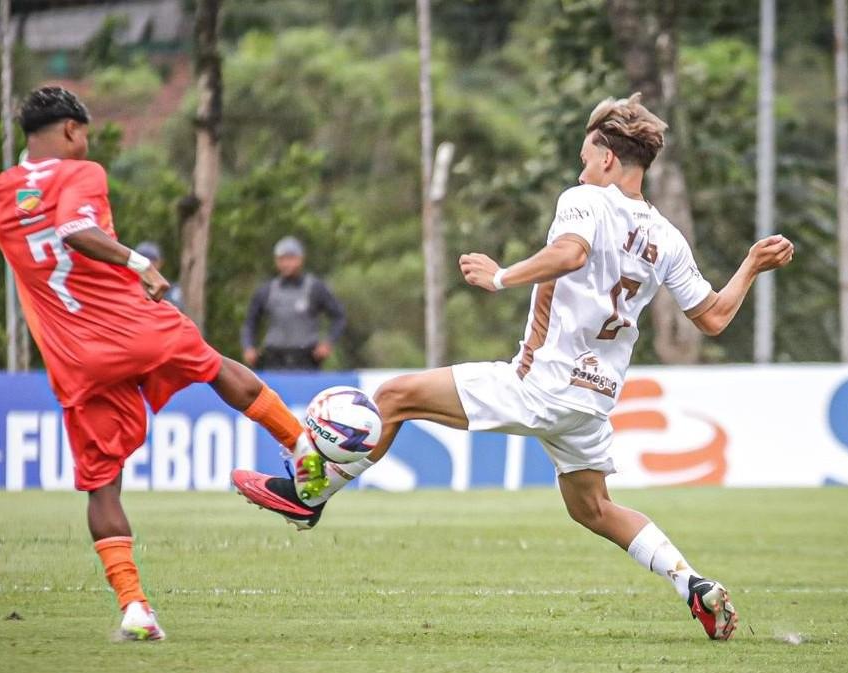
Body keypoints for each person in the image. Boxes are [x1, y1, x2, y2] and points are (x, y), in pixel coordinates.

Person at [232, 93, 795, 641]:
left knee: (396, 396)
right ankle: (693, 584)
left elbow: (571, 252)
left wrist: (501, 277)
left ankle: (309, 496)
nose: (579, 172)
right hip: (593, 402)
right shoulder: (666, 236)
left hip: (540, 385)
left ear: (606, 159)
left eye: (583, 160)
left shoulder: (585, 201)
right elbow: (715, 317)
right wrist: (749, 263)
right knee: (594, 509)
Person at [0, 86, 311, 641]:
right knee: (215, 367)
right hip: (130, 326)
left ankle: (135, 608)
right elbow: (75, 230)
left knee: (103, 488)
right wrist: (138, 262)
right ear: (72, 131)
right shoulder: (80, 173)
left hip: (73, 358)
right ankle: (303, 448)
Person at [241, 236, 346, 370]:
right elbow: (250, 322)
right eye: (282, 259)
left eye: (291, 258)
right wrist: (248, 347)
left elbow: (339, 317)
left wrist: (327, 343)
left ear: (301, 259)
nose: (286, 264)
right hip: (273, 360)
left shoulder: (315, 288)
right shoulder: (267, 290)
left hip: (306, 361)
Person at [133, 240, 185, 310]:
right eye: (141, 260)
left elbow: (175, 312)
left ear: (160, 263)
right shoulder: (126, 286)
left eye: (152, 261)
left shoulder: (171, 290)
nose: (148, 266)